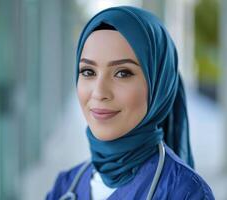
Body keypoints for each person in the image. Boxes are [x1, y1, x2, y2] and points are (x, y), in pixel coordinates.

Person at [46, 6, 215, 200]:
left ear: (159, 85)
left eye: (122, 73)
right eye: (88, 72)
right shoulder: (66, 185)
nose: (99, 93)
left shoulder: (185, 192)